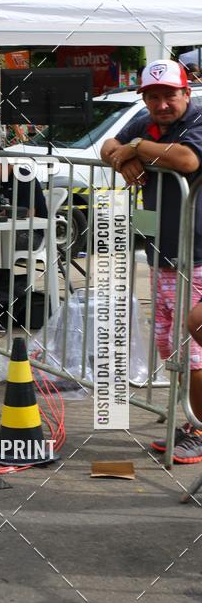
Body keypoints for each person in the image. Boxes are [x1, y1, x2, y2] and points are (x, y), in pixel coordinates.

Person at [101, 59, 202, 463]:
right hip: (163, 251)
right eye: (153, 96)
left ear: (186, 93)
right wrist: (123, 157)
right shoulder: (144, 122)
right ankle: (190, 418)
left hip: (197, 253)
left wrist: (139, 149)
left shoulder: (197, 119)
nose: (162, 104)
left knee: (193, 346)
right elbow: (109, 146)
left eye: (169, 95)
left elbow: (188, 161)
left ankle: (198, 427)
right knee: (168, 341)